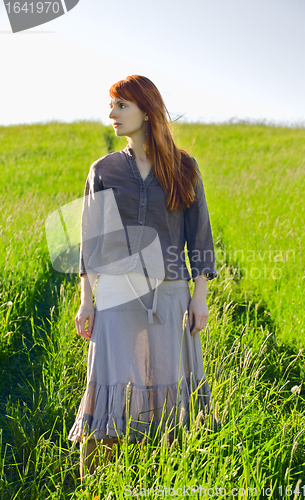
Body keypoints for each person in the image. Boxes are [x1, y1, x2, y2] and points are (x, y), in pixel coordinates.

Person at [67, 75, 217, 481]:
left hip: (169, 294)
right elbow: (91, 242)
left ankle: (163, 478)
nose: (111, 114)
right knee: (110, 383)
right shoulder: (104, 170)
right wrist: (86, 299)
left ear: (146, 111)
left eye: (121, 105)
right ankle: (96, 483)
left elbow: (199, 238)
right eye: (111, 105)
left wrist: (199, 297)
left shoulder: (185, 167)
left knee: (168, 384)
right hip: (116, 293)